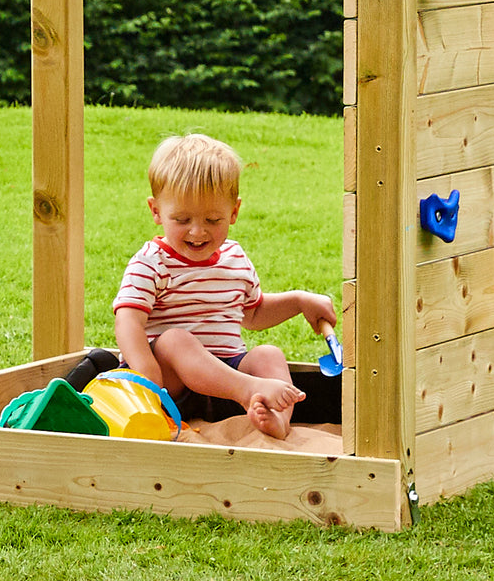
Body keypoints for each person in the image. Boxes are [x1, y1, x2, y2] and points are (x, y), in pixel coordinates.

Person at [113, 133, 337, 440]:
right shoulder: (153, 262)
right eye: (181, 219)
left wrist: (298, 301)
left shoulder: (235, 259)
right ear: (155, 211)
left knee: (269, 354)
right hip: (168, 387)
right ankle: (250, 391)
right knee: (176, 340)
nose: (197, 230)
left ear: (233, 212)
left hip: (225, 382)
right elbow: (127, 320)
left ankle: (277, 420)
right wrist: (145, 370)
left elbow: (254, 314)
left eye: (213, 219)